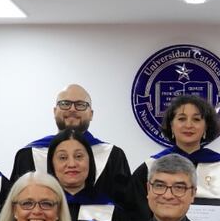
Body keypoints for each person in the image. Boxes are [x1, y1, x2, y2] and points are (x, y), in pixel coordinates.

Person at [10, 83, 131, 212]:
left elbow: (126, 210)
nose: (72, 109)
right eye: (65, 103)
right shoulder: (29, 154)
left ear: (91, 114)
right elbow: (15, 207)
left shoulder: (113, 156)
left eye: (80, 105)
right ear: (54, 111)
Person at [127, 94, 220, 221]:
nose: (189, 125)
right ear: (171, 126)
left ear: (206, 127)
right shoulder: (150, 167)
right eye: (181, 119)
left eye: (196, 119)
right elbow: (137, 213)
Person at [47, 128, 129, 221]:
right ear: (51, 163)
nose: (72, 164)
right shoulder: (40, 207)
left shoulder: (111, 210)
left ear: (90, 161)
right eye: (63, 157)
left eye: (78, 156)